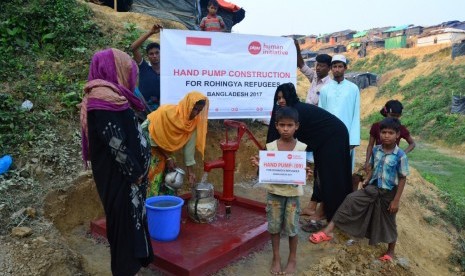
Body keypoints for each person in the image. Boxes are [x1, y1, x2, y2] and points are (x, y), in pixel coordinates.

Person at [80, 48, 154, 275]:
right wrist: (135, 172)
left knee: (130, 223)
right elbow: (115, 143)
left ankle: (133, 266)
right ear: (114, 70)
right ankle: (125, 270)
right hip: (121, 179)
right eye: (128, 71)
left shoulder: (114, 97)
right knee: (123, 227)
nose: (131, 76)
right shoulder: (102, 101)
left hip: (129, 180)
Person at [309, 117, 409, 263]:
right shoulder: (376, 150)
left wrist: (396, 200)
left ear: (398, 135)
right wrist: (367, 178)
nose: (386, 136)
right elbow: (373, 168)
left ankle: (390, 251)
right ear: (379, 134)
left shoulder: (400, 156)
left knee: (389, 221)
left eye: (390, 133)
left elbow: (402, 178)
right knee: (350, 199)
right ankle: (327, 231)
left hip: (388, 194)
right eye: (384, 132)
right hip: (372, 188)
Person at [266, 83, 353, 228]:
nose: (281, 101)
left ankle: (325, 213)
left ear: (291, 97)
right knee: (320, 170)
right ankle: (313, 206)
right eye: (278, 98)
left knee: (329, 175)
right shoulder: (287, 113)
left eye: (284, 97)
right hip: (323, 137)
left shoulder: (294, 112)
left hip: (334, 135)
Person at [251, 107, 306, 275]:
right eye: (282, 125)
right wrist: (260, 166)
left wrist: (305, 173)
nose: (286, 129)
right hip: (274, 193)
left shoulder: (302, 148)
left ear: (297, 126)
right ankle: (276, 257)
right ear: (276, 126)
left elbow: (303, 172)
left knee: (292, 227)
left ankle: (292, 258)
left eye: (290, 125)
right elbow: (265, 173)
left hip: (292, 195)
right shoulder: (271, 147)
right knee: (274, 226)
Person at [143, 91, 209, 197]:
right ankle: (149, 207)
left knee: (171, 174)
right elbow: (153, 138)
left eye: (199, 110)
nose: (196, 113)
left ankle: (166, 205)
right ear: (188, 105)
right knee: (153, 176)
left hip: (166, 149)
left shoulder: (192, 123)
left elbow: (189, 149)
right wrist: (168, 158)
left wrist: (190, 172)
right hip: (147, 144)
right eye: (194, 109)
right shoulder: (166, 112)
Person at [294, 39, 333, 219]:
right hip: (307, 125)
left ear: (329, 68)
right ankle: (305, 200)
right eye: (317, 65)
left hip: (319, 128)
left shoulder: (330, 86)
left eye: (322, 66)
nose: (317, 68)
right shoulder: (314, 78)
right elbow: (301, 64)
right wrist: (296, 47)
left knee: (320, 166)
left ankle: (315, 204)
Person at [365, 100, 416, 170]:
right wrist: (367, 161)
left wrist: (402, 154)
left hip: (392, 163)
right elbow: (370, 145)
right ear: (386, 113)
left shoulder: (401, 128)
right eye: (392, 115)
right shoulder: (376, 126)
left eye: (397, 116)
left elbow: (412, 143)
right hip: (377, 159)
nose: (394, 118)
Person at [130, 24, 163, 112]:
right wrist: (150, 32)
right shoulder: (144, 68)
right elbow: (133, 48)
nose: (154, 56)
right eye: (151, 54)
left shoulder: (168, 72)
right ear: (148, 56)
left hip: (162, 111)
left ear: (161, 54)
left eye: (157, 53)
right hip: (143, 111)